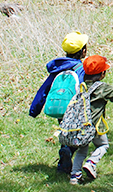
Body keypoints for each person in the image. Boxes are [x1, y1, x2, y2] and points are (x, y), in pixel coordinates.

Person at [69, 55, 113, 185]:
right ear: (102, 74)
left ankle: (75, 176)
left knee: (82, 150)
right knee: (103, 145)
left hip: (80, 125)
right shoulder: (102, 88)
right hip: (94, 126)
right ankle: (91, 163)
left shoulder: (81, 86)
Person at [29, 31, 89, 174]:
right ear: (83, 51)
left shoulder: (58, 69)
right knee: (78, 134)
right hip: (75, 108)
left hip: (60, 107)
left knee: (65, 132)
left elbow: (43, 90)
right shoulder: (81, 69)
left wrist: (34, 109)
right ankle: (67, 152)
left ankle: (63, 164)